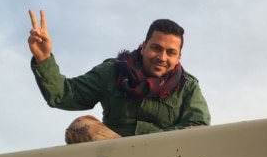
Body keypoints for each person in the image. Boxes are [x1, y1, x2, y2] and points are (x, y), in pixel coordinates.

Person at [27, 10, 210, 144]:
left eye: (170, 52)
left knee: (198, 134)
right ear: (144, 46)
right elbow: (64, 95)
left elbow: (198, 124)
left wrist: (151, 143)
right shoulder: (112, 71)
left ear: (179, 56)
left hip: (165, 154)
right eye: (156, 48)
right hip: (111, 154)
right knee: (80, 126)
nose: (162, 57)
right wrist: (43, 58)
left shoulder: (188, 86)